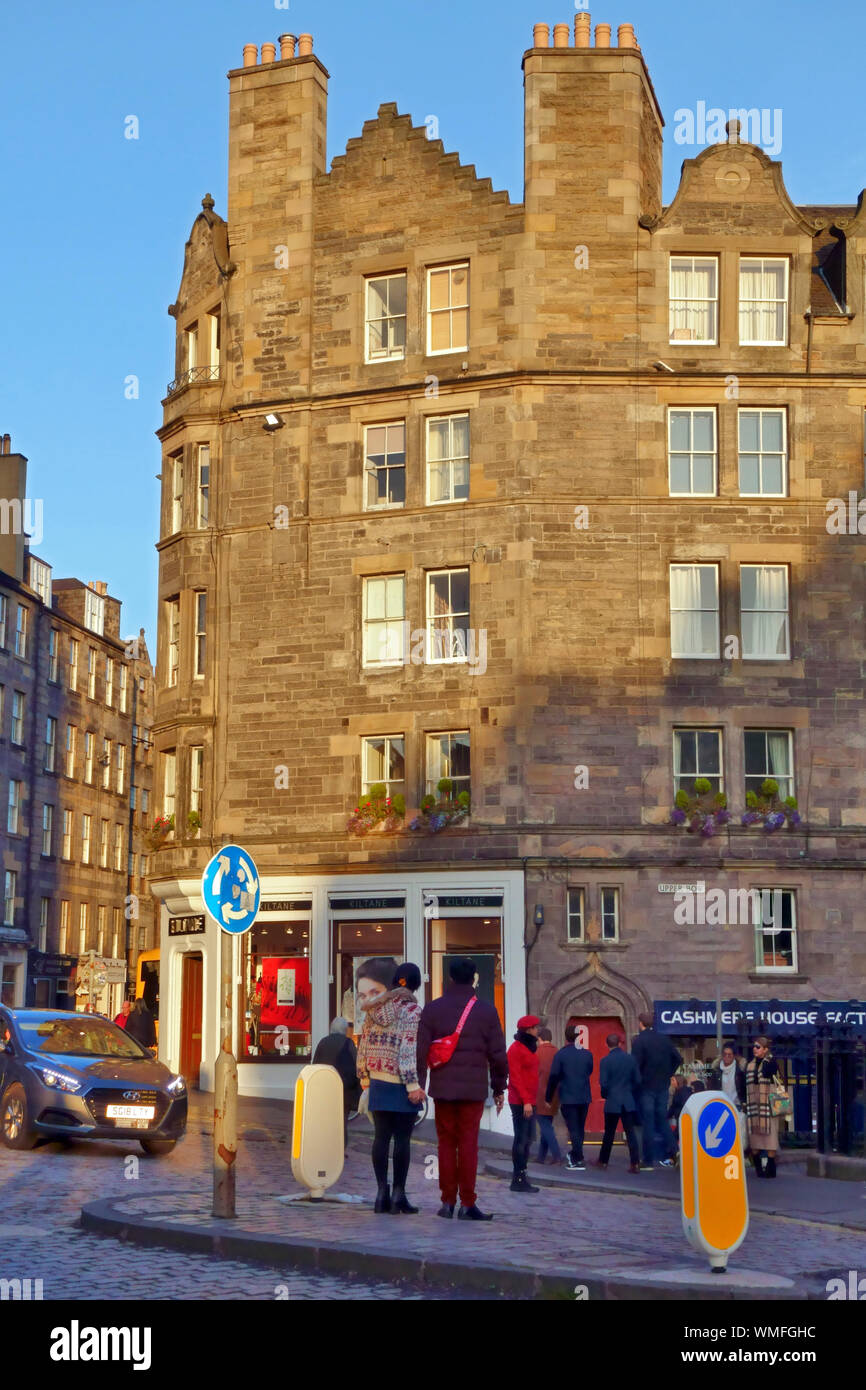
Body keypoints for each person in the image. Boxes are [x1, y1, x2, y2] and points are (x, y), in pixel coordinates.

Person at [417, 956, 508, 1222]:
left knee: (446, 1143)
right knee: (469, 1144)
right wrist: (499, 1086)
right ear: (474, 979)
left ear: (450, 978)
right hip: (473, 1090)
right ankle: (468, 1203)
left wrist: (419, 1086)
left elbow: (421, 1050)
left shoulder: (433, 1009)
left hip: (443, 1088)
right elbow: (498, 1054)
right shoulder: (486, 1011)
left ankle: (447, 1201)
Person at [356, 958, 424, 1214]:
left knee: (381, 1138)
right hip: (401, 1083)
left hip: (377, 1082)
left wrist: (365, 1079)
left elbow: (362, 1048)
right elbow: (407, 1050)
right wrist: (412, 1085)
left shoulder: (372, 1012)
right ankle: (398, 1194)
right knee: (403, 1140)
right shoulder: (412, 1011)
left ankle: (380, 1193)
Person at [631, 1010, 682, 1169]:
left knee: (648, 1123)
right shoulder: (664, 1039)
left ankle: (648, 1161)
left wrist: (636, 1082)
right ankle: (676, 1151)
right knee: (662, 1120)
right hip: (662, 1085)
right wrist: (668, 1073)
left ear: (640, 1024)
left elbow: (635, 1066)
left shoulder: (640, 1041)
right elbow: (678, 1058)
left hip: (647, 1086)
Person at [546, 1022, 594, 1170]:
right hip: (584, 1095)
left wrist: (548, 1097)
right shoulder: (587, 1054)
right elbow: (589, 1071)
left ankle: (578, 1159)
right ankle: (576, 1155)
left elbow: (554, 1076)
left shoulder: (561, 1054)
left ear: (566, 1037)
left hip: (568, 1095)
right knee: (579, 1127)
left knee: (573, 1128)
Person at [597, 1034, 641, 1173]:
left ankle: (603, 1161)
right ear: (620, 1044)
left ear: (607, 1045)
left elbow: (603, 1083)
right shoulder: (630, 1059)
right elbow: (638, 1080)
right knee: (630, 1133)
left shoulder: (605, 1061)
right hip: (627, 1100)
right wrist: (629, 1091)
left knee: (609, 1133)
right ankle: (635, 1163)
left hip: (613, 1101)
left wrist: (606, 1095)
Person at [507, 1015, 541, 1193]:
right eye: (535, 1027)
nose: (537, 1030)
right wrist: (526, 1101)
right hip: (521, 1101)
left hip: (530, 1099)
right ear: (528, 1030)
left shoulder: (530, 1047)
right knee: (521, 1139)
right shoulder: (516, 1049)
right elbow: (516, 1077)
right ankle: (518, 1178)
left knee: (527, 1140)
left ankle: (522, 1175)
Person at [313, 1017, 361, 1141]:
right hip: (344, 1089)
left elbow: (315, 1064)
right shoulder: (349, 1043)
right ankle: (339, 1150)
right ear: (345, 1030)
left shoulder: (323, 1042)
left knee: (326, 1120)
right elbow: (357, 1066)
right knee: (342, 1121)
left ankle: (326, 1146)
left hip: (325, 1088)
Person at [745, 1035, 780, 1178]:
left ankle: (771, 1168)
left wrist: (766, 1059)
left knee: (770, 1137)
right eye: (754, 1046)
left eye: (758, 1047)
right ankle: (759, 1167)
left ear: (765, 1049)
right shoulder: (750, 1064)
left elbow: (767, 1072)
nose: (754, 1049)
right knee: (755, 1139)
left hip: (768, 1105)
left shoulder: (771, 1062)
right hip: (754, 1105)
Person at [533, 1026, 562, 1165]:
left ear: (539, 1038)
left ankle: (556, 1155)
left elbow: (533, 1075)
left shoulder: (536, 1053)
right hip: (555, 1095)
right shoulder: (557, 1052)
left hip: (539, 1094)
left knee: (545, 1126)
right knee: (547, 1123)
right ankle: (541, 1156)